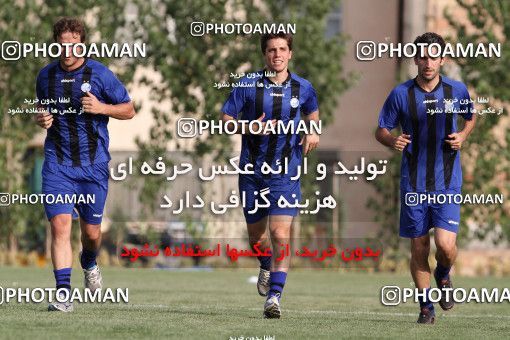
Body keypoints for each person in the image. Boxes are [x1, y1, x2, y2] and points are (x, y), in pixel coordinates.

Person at [35, 17, 136, 312]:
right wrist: (40, 119)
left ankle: (89, 261)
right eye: (63, 45)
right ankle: (63, 293)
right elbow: (43, 110)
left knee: (91, 234)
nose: (68, 51)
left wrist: (103, 107)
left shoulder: (101, 75)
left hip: (93, 167)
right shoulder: (45, 77)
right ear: (56, 45)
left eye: (74, 45)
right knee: (60, 226)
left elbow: (129, 110)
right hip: (58, 164)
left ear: (82, 44)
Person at [375, 32, 476, 324]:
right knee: (419, 246)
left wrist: (463, 136)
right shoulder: (400, 94)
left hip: (447, 182)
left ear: (441, 60)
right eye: (423, 57)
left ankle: (443, 274)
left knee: (445, 246)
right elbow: (381, 129)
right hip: (414, 183)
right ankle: (425, 308)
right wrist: (391, 141)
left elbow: (470, 116)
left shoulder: (456, 90)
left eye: (434, 56)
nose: (428, 62)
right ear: (416, 60)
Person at [221, 32, 319, 318]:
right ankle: (265, 263)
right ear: (265, 55)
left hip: (285, 171)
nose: (277, 54)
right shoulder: (248, 85)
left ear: (290, 53)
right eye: (271, 50)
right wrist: (248, 127)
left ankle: (274, 297)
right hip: (252, 171)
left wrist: (313, 131)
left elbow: (313, 114)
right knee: (256, 238)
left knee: (279, 233)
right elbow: (226, 120)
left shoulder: (304, 88)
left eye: (282, 49)